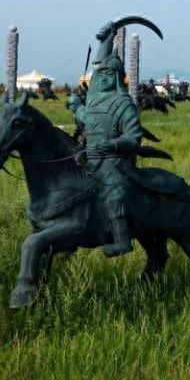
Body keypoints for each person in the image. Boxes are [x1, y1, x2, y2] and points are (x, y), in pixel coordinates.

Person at [68, 21, 144, 257]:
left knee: (113, 192)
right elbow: (86, 120)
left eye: (108, 75)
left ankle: (122, 239)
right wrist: (76, 107)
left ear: (118, 77)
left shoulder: (124, 104)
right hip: (90, 158)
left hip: (114, 162)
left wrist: (112, 144)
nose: (102, 78)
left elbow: (134, 138)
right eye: (100, 75)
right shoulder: (96, 100)